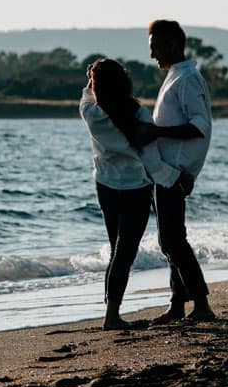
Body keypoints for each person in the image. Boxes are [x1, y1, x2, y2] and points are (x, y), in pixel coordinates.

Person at [80, 58, 194, 330]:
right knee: (125, 251)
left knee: (117, 251)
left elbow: (87, 93)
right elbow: (152, 162)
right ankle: (111, 317)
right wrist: (177, 178)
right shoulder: (138, 115)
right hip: (135, 189)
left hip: (105, 186)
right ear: (124, 83)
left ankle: (111, 312)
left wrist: (92, 76)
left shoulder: (90, 113)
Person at [146, 19, 217, 323]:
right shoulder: (176, 75)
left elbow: (199, 126)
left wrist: (155, 133)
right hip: (165, 171)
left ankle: (201, 304)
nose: (152, 54)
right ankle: (178, 304)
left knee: (172, 241)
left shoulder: (187, 79)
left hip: (174, 173)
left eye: (156, 47)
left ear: (173, 44)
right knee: (171, 240)